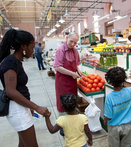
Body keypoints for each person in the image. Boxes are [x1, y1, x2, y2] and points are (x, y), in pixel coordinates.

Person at [0, 29, 49, 147]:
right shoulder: (10, 62)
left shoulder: (16, 61)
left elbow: (18, 89)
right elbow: (11, 91)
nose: (33, 51)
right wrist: (36, 107)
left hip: (20, 107)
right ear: (23, 46)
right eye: (31, 47)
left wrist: (28, 106)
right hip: (17, 110)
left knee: (22, 144)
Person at [53, 32, 84, 114]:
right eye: (71, 41)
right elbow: (57, 67)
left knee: (72, 99)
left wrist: (78, 71)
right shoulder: (61, 49)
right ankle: (63, 121)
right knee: (63, 101)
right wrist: (72, 74)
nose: (73, 44)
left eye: (75, 42)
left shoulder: (74, 51)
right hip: (62, 80)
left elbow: (76, 64)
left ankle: (72, 118)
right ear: (66, 38)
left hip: (72, 81)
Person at [104, 67, 131, 147]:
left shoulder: (109, 97)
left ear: (110, 82)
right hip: (128, 126)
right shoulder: (129, 91)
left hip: (114, 127)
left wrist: (105, 121)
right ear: (124, 79)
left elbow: (108, 116)